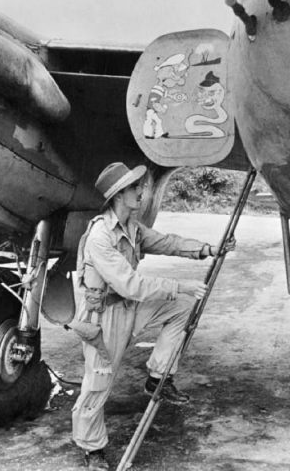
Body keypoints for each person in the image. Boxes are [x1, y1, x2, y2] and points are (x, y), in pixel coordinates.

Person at [71, 162, 231, 471]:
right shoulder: (99, 237)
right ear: (119, 195)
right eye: (134, 188)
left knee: (183, 306)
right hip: (103, 318)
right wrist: (178, 284)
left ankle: (157, 376)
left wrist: (208, 249)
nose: (142, 192)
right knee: (98, 384)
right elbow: (130, 284)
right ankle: (91, 449)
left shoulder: (131, 226)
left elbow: (165, 242)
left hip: (129, 308)